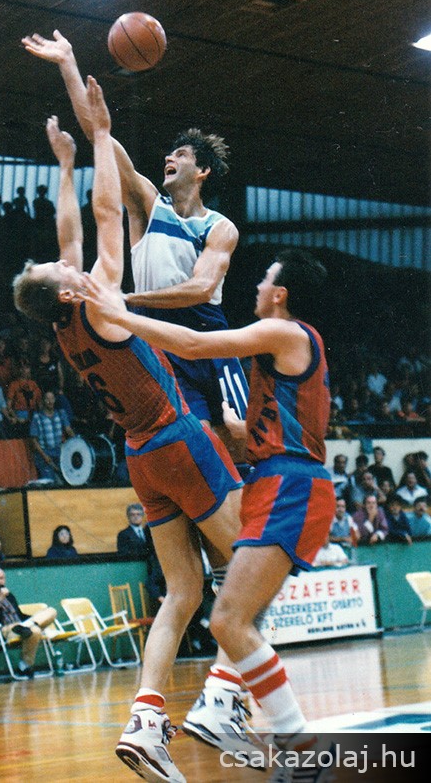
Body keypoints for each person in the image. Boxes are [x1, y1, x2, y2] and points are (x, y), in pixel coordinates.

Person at [13, 79, 249, 777]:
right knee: (254, 563)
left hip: (139, 456)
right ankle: (222, 698)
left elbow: (69, 231)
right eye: (59, 267)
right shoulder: (104, 301)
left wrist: (64, 163)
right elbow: (104, 210)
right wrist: (94, 135)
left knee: (183, 591)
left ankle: (146, 721)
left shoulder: (66, 325)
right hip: (176, 435)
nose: (67, 258)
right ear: (66, 287)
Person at [82, 238, 336, 764]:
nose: (257, 286)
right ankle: (228, 706)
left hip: (291, 485)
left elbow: (196, 345)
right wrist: (231, 430)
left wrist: (119, 313)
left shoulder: (285, 331)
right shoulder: (280, 350)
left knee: (229, 618)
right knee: (227, 617)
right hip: (277, 479)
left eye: (265, 279)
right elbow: (261, 430)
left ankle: (292, 744)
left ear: (280, 294)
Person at [22, 30, 249, 461]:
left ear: (202, 171)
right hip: (161, 339)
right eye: (170, 154)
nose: (169, 158)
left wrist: (127, 300)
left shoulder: (220, 227)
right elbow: (100, 134)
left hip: (208, 333)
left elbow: (201, 289)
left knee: (241, 436)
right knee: (196, 443)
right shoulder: (148, 205)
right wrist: (68, 64)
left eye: (181, 155)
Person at [0, 567, 57, 679]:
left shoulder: (10, 596)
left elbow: (20, 615)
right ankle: (25, 665)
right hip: (4, 631)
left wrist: (36, 617)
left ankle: (29, 625)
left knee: (51, 611)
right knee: (36, 630)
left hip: (22, 626)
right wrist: (0, 599)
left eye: (1, 578)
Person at [29, 390, 75, 480]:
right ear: (43, 401)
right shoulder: (37, 417)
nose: (50, 401)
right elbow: (34, 440)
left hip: (59, 453)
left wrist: (78, 442)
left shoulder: (61, 413)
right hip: (44, 454)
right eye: (47, 399)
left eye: (52, 398)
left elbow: (69, 430)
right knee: (50, 481)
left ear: (55, 400)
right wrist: (44, 456)